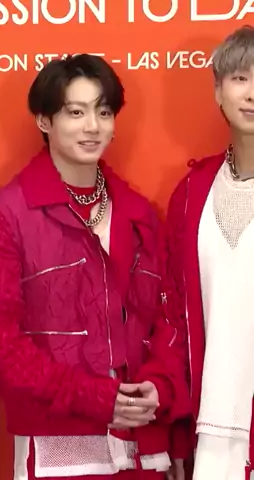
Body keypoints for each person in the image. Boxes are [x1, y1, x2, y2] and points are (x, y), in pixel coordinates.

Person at [0, 54, 189, 479]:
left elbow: (168, 321)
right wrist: (95, 397)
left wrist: (160, 385)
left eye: (103, 112)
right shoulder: (8, 215)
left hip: (142, 443)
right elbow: (0, 344)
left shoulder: (139, 213)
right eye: (76, 112)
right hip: (58, 445)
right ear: (44, 120)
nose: (93, 127)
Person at [165, 25, 254, 480]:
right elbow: (173, 322)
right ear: (218, 91)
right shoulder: (190, 194)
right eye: (240, 78)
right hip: (213, 428)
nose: (252, 93)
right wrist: (178, 433)